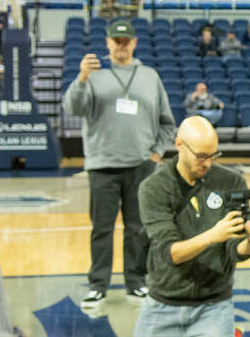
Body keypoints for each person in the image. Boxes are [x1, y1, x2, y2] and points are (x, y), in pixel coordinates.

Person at [127, 116, 250, 337]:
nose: (207, 162)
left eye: (213, 155)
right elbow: (170, 253)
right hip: (164, 301)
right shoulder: (153, 188)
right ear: (179, 145)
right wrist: (213, 235)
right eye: (201, 156)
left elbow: (234, 250)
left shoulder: (231, 181)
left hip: (213, 303)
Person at [63, 17, 176, 308]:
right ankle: (98, 284)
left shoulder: (150, 76)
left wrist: (156, 153)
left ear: (134, 43)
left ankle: (135, 282)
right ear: (108, 43)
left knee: (138, 228)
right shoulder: (94, 75)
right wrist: (82, 79)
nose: (122, 46)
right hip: (103, 164)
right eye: (117, 41)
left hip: (141, 164)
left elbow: (167, 122)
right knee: (101, 228)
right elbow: (73, 108)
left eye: (126, 41)